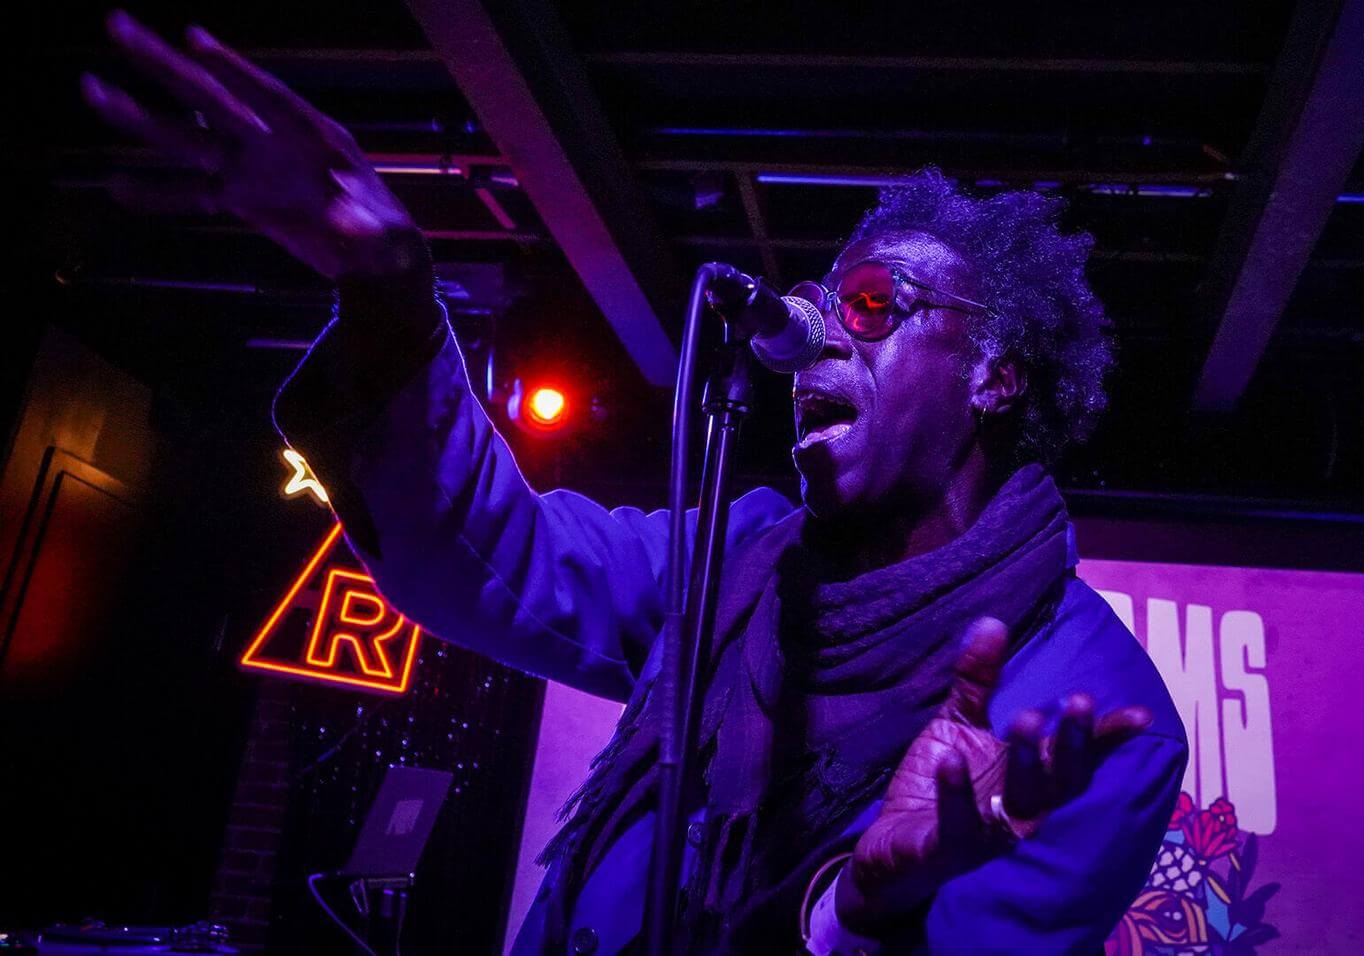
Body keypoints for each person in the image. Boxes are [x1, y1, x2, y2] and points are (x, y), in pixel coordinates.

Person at [83, 12, 1187, 954]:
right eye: (813, 303)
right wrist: (389, 290)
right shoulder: (740, 554)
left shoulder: (1093, 709)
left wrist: (853, 910)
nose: (815, 346)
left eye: (869, 305)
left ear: (992, 373)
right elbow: (489, 549)